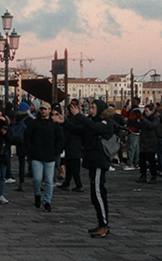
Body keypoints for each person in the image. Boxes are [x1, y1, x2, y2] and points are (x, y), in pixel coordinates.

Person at [73, 99, 115, 238]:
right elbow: (80, 130)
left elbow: (93, 127)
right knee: (94, 195)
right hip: (92, 161)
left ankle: (104, 225)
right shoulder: (94, 123)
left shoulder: (106, 123)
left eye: (93, 108)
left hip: (99, 162)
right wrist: (64, 122)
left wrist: (78, 115)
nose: (90, 110)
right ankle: (101, 223)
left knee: (98, 193)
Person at [25, 100, 65, 211]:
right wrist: (30, 151)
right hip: (36, 155)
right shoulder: (34, 123)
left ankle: (47, 201)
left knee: (49, 180)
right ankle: (37, 194)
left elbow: (60, 139)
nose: (43, 111)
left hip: (50, 156)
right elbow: (27, 137)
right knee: (37, 179)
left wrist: (56, 151)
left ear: (49, 110)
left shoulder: (54, 125)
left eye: (45, 109)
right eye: (42, 109)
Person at [59, 100, 85, 192]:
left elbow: (65, 134)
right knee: (71, 165)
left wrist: (61, 146)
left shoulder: (69, 120)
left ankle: (78, 185)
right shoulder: (79, 120)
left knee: (73, 166)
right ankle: (67, 183)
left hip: (71, 145)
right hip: (77, 145)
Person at [137, 103, 162, 183]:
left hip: (151, 141)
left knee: (151, 160)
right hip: (144, 141)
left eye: (147, 111)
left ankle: (153, 175)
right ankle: (143, 175)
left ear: (151, 111)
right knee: (142, 160)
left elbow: (152, 126)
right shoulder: (144, 118)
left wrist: (142, 119)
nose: (145, 112)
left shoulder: (155, 118)